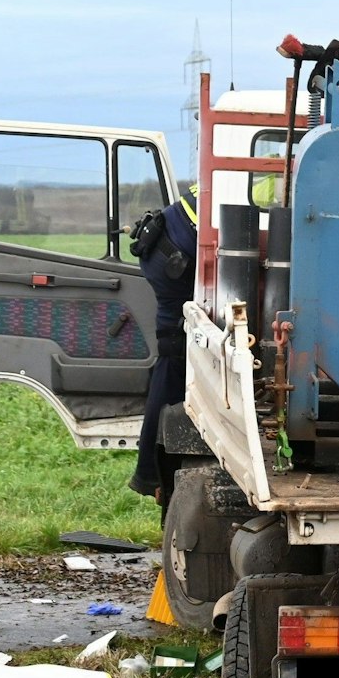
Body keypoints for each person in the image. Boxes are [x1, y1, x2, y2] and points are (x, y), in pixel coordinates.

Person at [128, 192, 199, 505]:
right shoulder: (283, 175)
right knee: (173, 360)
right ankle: (151, 474)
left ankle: (154, 474)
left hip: (167, 244)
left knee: (173, 360)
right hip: (174, 255)